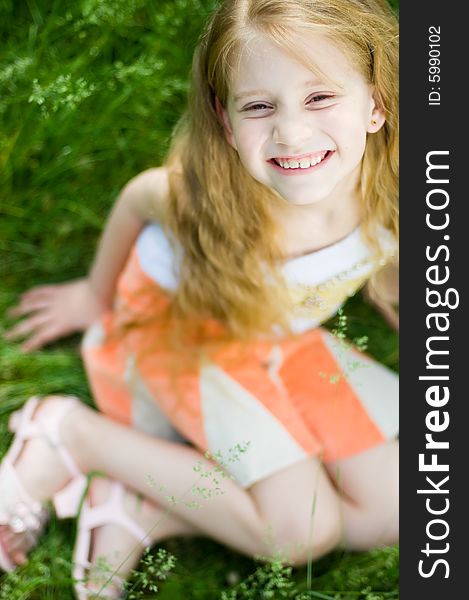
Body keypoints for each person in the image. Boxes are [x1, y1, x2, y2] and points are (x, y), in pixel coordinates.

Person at [0, 0, 399, 597]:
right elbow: (141, 196)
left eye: (320, 98)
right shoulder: (211, 205)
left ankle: (143, 505)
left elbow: (387, 266)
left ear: (375, 104)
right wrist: (92, 293)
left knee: (393, 512)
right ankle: (71, 432)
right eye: (259, 106)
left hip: (279, 337)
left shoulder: (400, 190)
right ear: (226, 120)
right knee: (300, 535)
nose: (292, 132)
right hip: (186, 335)